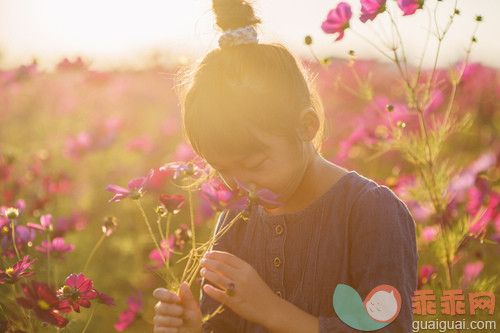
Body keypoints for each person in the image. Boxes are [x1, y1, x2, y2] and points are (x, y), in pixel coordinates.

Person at [153, 0, 418, 332]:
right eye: (221, 169)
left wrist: (272, 312)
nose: (240, 187)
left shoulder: (371, 212)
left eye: (255, 163)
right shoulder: (235, 219)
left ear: (306, 126)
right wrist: (195, 328)